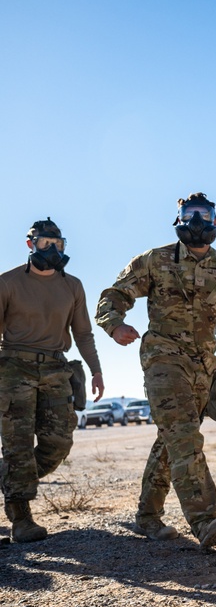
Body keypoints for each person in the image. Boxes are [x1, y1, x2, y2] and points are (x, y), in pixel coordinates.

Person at [95, 193, 216, 550]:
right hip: (163, 359)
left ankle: (147, 517)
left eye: (204, 214)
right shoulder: (155, 259)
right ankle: (205, 519)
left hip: (204, 367)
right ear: (178, 218)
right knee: (183, 436)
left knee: (171, 439)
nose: (196, 220)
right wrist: (114, 325)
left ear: (215, 221)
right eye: (189, 213)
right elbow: (114, 294)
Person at [1, 218, 104, 542]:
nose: (53, 250)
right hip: (13, 368)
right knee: (17, 446)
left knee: (59, 442)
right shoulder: (8, 283)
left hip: (56, 370)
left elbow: (83, 333)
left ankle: (9, 477)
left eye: (58, 245)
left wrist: (97, 370)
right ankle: (21, 520)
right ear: (31, 244)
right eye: (46, 244)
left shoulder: (72, 285)